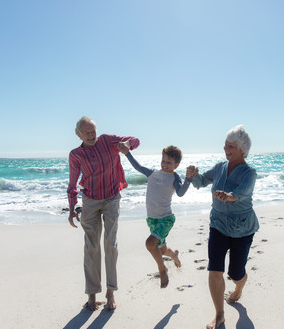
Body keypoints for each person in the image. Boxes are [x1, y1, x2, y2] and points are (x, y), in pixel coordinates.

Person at [186, 125, 259, 329]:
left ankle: (240, 285)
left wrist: (229, 196)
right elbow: (202, 182)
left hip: (242, 230)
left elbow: (242, 192)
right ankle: (219, 315)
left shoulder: (249, 173)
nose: (225, 148)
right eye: (225, 144)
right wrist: (193, 176)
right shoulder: (219, 167)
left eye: (230, 146)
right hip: (217, 225)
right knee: (214, 270)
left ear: (242, 149)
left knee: (236, 273)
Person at [67, 116, 140, 311]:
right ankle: (92, 295)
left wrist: (127, 145)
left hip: (111, 199)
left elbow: (135, 140)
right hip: (90, 201)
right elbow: (73, 183)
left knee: (110, 244)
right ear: (79, 134)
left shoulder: (107, 141)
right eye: (87, 133)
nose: (91, 135)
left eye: (93, 131)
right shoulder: (75, 154)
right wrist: (72, 208)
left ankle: (110, 293)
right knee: (91, 247)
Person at [119, 144, 194, 288]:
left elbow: (180, 193)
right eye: (164, 161)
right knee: (161, 250)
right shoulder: (152, 173)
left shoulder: (174, 176)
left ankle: (162, 269)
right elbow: (137, 166)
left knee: (149, 243)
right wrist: (127, 153)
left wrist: (188, 180)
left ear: (176, 165)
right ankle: (174, 256)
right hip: (152, 219)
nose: (165, 164)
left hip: (166, 219)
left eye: (169, 162)